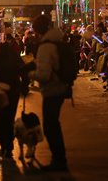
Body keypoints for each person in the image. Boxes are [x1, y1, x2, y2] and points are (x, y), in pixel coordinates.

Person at [29, 15, 69, 172]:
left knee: (50, 126)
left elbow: (44, 74)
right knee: (54, 124)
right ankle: (60, 159)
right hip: (61, 87)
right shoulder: (58, 40)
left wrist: (30, 74)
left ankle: (59, 160)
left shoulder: (46, 46)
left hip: (52, 89)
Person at [0, 33, 27, 159]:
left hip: (11, 93)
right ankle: (3, 144)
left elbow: (22, 68)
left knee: (7, 120)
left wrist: (24, 85)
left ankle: (7, 147)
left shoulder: (10, 54)